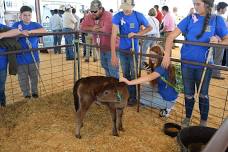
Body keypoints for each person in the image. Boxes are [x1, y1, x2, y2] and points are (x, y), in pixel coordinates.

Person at [161, 0, 228, 127]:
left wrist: (217, 41)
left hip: (205, 65)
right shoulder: (190, 18)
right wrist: (166, 56)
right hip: (186, 63)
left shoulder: (216, 20)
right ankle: (187, 117)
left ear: (207, 4)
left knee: (203, 94)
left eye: (198, 4)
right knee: (188, 93)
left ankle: (203, 122)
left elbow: (227, 39)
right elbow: (170, 37)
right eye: (194, 3)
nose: (195, 6)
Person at [111, 0, 152, 106]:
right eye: (124, 7)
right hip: (122, 50)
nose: (126, 10)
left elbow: (149, 28)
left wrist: (137, 34)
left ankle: (134, 97)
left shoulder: (139, 15)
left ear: (132, 6)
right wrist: (113, 54)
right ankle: (127, 95)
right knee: (125, 73)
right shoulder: (117, 16)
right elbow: (114, 34)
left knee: (134, 74)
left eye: (128, 7)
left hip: (134, 50)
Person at [120, 45, 178, 116]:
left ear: (159, 55)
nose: (151, 58)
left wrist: (129, 82)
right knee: (140, 89)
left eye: (154, 56)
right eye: (150, 55)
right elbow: (155, 80)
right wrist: (149, 71)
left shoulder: (162, 66)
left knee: (138, 97)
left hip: (168, 98)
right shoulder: (160, 63)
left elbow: (149, 78)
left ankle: (167, 107)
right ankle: (155, 101)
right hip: (161, 89)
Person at [12, 6, 46, 99]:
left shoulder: (35, 24)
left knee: (34, 76)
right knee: (23, 78)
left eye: (29, 15)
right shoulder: (16, 24)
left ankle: (35, 92)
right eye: (24, 15)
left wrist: (30, 31)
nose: (27, 17)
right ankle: (26, 94)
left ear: (31, 15)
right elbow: (12, 32)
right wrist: (21, 32)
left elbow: (43, 30)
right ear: (20, 15)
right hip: (20, 57)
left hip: (34, 57)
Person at [80, 0, 118, 78]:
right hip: (101, 47)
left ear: (101, 9)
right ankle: (110, 88)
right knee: (105, 68)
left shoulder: (108, 15)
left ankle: (115, 88)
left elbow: (107, 29)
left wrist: (93, 29)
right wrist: (92, 28)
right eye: (91, 11)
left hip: (112, 47)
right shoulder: (90, 16)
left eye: (95, 11)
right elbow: (82, 27)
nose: (93, 13)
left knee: (113, 71)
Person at [0, 24, 27, 107]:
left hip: (1, 65)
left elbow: (17, 31)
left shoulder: (1, 26)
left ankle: (2, 104)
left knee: (1, 86)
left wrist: (2, 35)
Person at [212, 2, 227, 79]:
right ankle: (216, 74)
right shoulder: (220, 18)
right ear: (221, 9)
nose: (226, 10)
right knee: (218, 57)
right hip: (220, 41)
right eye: (225, 9)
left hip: (216, 40)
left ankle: (214, 72)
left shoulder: (214, 16)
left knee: (215, 57)